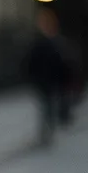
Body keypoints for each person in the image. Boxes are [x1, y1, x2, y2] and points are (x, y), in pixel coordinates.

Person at [24, 8, 72, 144]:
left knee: (47, 106)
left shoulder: (52, 43)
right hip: (45, 81)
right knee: (47, 106)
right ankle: (47, 131)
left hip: (49, 81)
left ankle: (46, 131)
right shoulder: (49, 43)